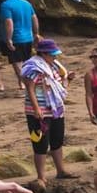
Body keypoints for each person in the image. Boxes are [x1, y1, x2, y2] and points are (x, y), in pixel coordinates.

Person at [19, 39, 73, 185]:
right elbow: (30, 88)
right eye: (52, 54)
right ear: (43, 53)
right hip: (40, 110)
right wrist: (36, 108)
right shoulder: (33, 67)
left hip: (55, 109)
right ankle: (41, 176)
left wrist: (69, 79)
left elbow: (57, 85)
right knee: (40, 143)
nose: (55, 57)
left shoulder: (53, 66)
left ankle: (60, 170)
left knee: (57, 140)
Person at [0, 0, 37, 66]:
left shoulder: (5, 5)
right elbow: (34, 18)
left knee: (16, 63)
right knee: (27, 62)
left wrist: (9, 39)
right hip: (28, 38)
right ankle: (27, 78)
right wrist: (36, 33)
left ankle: (23, 79)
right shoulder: (26, 3)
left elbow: (9, 22)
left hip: (16, 38)